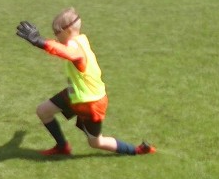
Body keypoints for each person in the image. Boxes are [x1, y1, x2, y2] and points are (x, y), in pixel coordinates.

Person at [15, 8, 156, 157]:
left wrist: (40, 42)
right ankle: (62, 147)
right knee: (43, 111)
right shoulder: (80, 39)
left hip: (91, 102)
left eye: (57, 32)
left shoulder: (74, 47)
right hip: (76, 94)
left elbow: (72, 54)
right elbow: (66, 50)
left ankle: (136, 150)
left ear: (68, 30)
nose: (55, 36)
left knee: (96, 142)